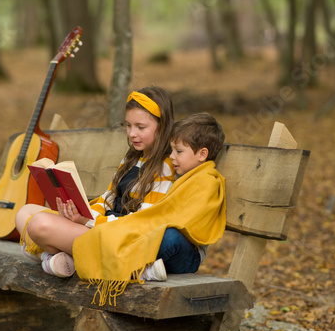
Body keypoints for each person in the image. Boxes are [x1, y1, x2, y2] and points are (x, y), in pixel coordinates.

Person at [15, 86, 176, 278]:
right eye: (129, 125)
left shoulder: (164, 168)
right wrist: (80, 213)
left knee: (38, 225)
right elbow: (107, 199)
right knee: (25, 212)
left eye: (140, 127)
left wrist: (88, 221)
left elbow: (141, 224)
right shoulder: (132, 158)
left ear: (163, 126)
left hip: (118, 238)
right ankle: (58, 257)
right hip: (98, 227)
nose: (132, 133)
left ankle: (50, 255)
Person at [72, 112, 227, 305]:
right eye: (171, 150)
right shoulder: (182, 176)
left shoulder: (206, 182)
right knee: (141, 235)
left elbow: (186, 221)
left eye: (179, 151)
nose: (172, 156)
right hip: (160, 243)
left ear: (202, 154)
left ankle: (138, 267)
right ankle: (142, 267)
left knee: (170, 237)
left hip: (186, 255)